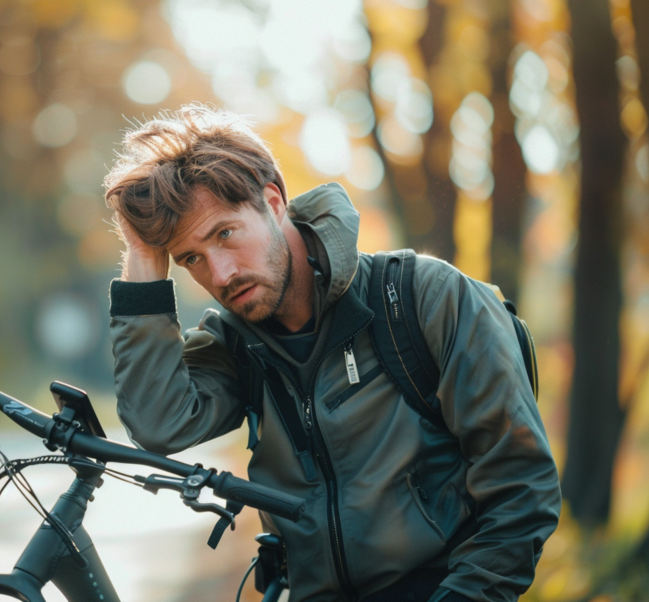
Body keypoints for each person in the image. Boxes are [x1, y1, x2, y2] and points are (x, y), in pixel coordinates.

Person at [102, 104, 561, 602]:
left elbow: (522, 490)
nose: (220, 274)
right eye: (191, 257)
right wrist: (145, 251)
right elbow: (158, 424)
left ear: (273, 201)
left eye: (225, 235)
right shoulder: (236, 342)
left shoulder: (425, 299)